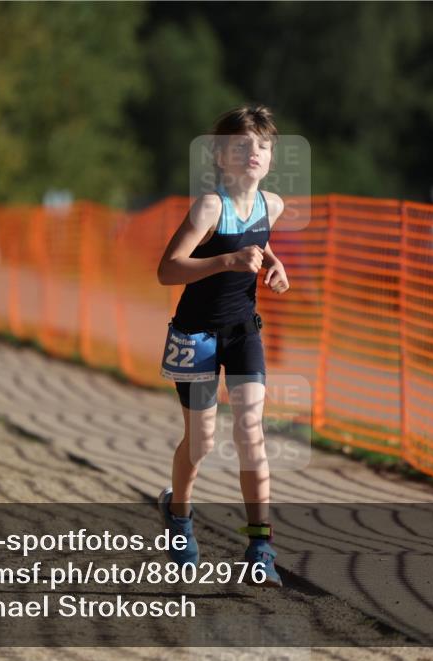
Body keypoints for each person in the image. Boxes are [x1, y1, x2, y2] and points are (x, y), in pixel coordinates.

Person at [155, 105, 289, 587]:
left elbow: (260, 239)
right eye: (242, 145)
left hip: (242, 332)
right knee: (202, 441)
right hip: (196, 335)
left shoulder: (272, 205)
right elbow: (168, 269)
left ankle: (260, 546)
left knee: (251, 431)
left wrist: (275, 264)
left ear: (272, 158)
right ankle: (179, 514)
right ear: (221, 155)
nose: (254, 152)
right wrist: (228, 259)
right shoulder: (210, 207)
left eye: (263, 145)